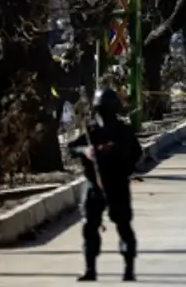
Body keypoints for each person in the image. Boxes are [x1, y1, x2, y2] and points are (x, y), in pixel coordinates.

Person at [68, 88, 142, 282]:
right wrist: (86, 150)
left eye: (106, 110)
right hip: (94, 184)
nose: (103, 115)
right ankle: (90, 269)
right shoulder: (91, 130)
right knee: (90, 227)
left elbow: (136, 154)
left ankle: (129, 268)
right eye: (101, 110)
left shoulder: (123, 131)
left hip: (116, 184)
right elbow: (71, 148)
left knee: (123, 225)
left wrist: (117, 155)